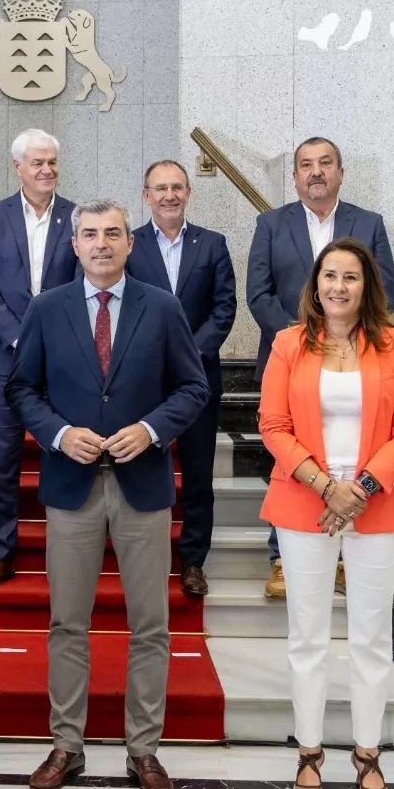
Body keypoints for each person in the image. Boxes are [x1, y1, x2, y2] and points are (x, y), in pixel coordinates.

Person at [6, 199, 209, 789]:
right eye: (89, 234)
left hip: (141, 483)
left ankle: (143, 750)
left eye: (112, 234)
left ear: (129, 243)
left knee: (150, 623)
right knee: (68, 620)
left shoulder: (162, 307)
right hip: (72, 487)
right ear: (74, 245)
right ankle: (67, 745)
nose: (100, 243)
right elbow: (21, 387)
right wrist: (60, 434)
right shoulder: (46, 310)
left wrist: (149, 430)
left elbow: (193, 386)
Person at [257, 237, 394, 789]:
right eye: (330, 275)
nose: (338, 286)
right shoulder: (287, 344)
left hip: (379, 505)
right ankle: (308, 752)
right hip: (307, 503)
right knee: (307, 636)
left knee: (371, 638)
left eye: (350, 277)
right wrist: (327, 486)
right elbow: (273, 425)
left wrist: (361, 489)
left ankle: (367, 754)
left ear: (367, 287)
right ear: (315, 284)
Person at [246, 137, 394, 600]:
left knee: (356, 450)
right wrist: (304, 342)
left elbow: (384, 292)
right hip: (289, 365)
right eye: (306, 165)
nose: (316, 172)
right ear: (294, 177)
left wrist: (342, 337)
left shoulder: (368, 224)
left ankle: (348, 558)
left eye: (325, 163)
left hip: (355, 365)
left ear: (340, 172)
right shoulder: (270, 223)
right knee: (291, 462)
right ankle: (282, 560)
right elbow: (259, 293)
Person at [0, 128, 78, 590]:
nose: (47, 170)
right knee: (4, 462)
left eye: (52, 161)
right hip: (5, 360)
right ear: (18, 166)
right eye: (37, 162)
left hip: (66, 362)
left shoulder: (77, 217)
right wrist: (17, 338)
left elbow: (84, 282)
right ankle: (1, 552)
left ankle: (70, 555)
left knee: (70, 457)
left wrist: (52, 340)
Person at [125, 160, 236, 597]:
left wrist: (187, 354)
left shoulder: (212, 244)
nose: (169, 195)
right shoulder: (128, 244)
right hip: (141, 380)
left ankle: (192, 561)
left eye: (177, 187)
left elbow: (224, 308)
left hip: (199, 380)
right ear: (145, 195)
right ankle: (141, 557)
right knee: (139, 469)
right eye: (160, 188)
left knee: (197, 475)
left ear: (189, 193)